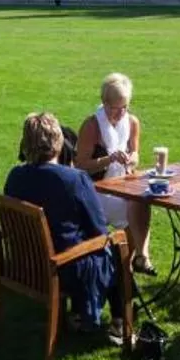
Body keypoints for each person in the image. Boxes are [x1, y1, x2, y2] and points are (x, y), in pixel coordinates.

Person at [2, 111, 120, 334]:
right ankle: (120, 324)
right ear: (58, 142)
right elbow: (99, 230)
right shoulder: (74, 179)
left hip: (25, 265)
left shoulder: (15, 176)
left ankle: (78, 314)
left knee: (87, 243)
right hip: (62, 268)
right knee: (116, 246)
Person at [72, 72, 155, 273]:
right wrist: (109, 159)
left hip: (121, 185)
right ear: (104, 102)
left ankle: (138, 259)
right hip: (96, 190)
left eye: (124, 107)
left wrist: (132, 158)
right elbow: (80, 166)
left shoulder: (132, 122)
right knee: (134, 213)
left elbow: (135, 153)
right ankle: (126, 267)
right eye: (114, 108)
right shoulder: (92, 126)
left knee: (141, 200)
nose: (120, 114)